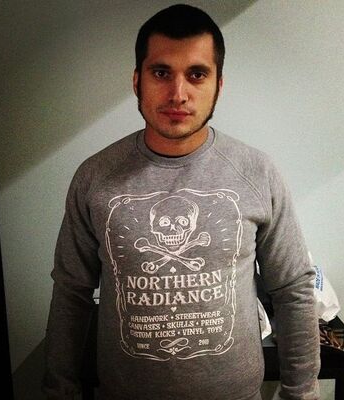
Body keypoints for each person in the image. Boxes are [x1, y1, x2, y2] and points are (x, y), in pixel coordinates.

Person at [43, 4, 320, 400]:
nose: (178, 94)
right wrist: (60, 390)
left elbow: (293, 288)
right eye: (161, 73)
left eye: (196, 74)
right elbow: (71, 293)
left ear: (218, 85)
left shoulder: (257, 172)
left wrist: (301, 394)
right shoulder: (94, 177)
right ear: (137, 81)